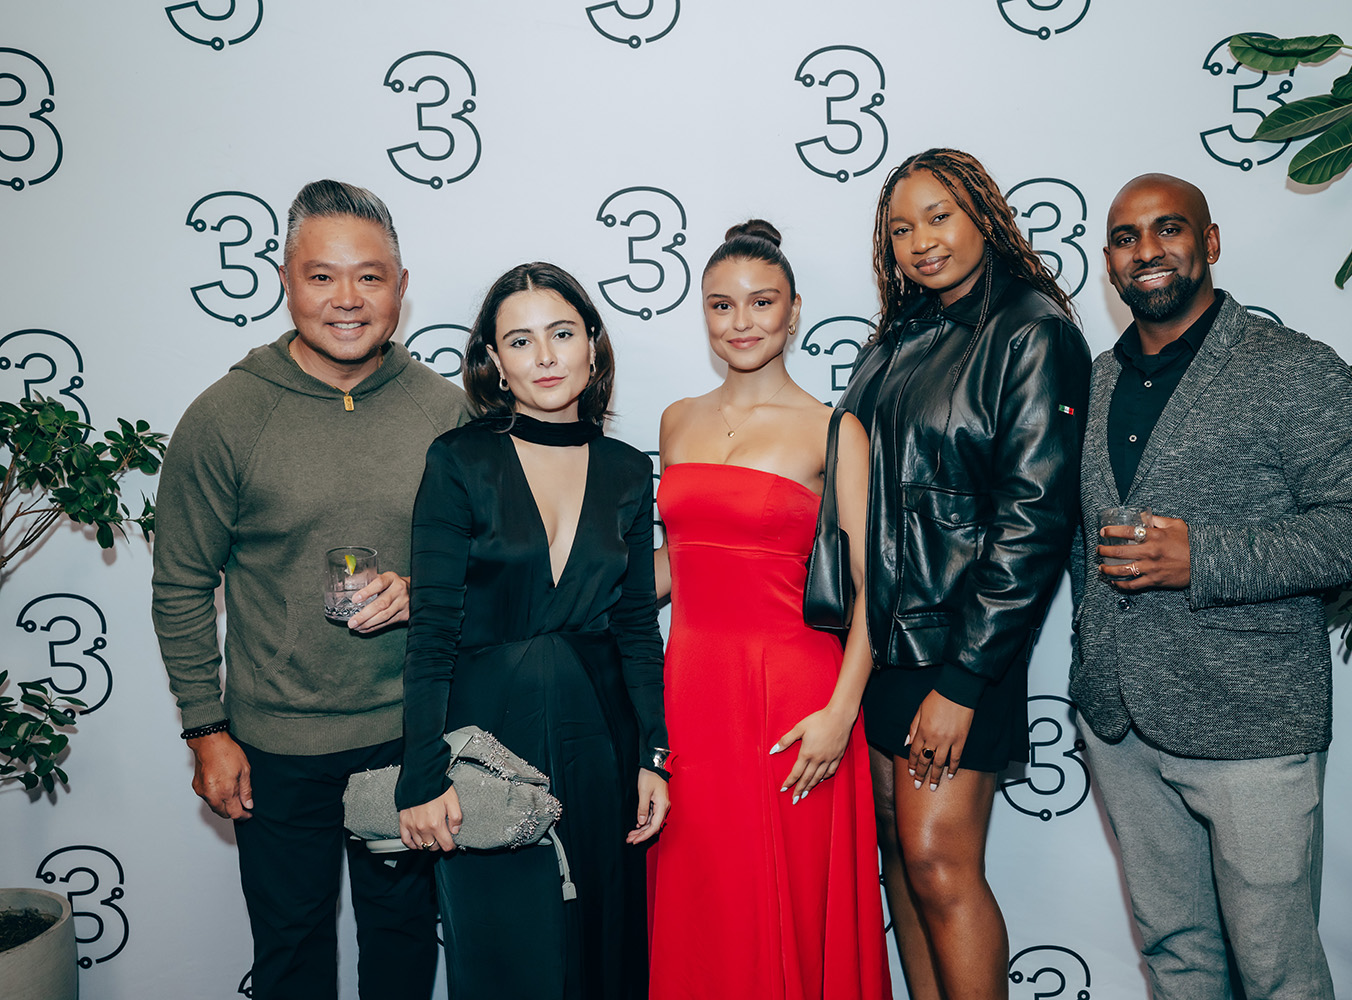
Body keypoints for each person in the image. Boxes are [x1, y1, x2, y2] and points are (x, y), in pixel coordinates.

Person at [1071, 173, 1352, 999]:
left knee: (1276, 970)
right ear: (1109, 261)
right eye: (1125, 237)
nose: (1147, 250)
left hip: (1252, 722)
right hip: (1120, 724)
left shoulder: (1293, 367)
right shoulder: (1098, 379)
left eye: (1169, 228)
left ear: (1209, 241)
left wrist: (1205, 558)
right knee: (1175, 956)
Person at [151, 179, 467, 999]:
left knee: (403, 944)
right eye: (322, 276)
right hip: (276, 747)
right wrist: (206, 729)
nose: (347, 299)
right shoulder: (226, 416)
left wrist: (423, 589)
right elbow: (182, 582)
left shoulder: (446, 413)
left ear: (402, 285)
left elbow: (498, 565)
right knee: (290, 955)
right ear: (286, 281)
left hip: (410, 738)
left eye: (370, 276)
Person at [839, 148, 1091, 1000]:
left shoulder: (1032, 331)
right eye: (901, 229)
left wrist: (965, 680)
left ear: (984, 214)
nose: (921, 241)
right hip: (885, 644)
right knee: (901, 860)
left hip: (958, 648)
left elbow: (1035, 518)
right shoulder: (900, 337)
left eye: (939, 216)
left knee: (939, 863)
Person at [396, 262, 669, 1000]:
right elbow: (431, 635)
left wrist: (654, 754)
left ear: (592, 345)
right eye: (520, 341)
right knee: (507, 961)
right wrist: (422, 775)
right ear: (494, 360)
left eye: (562, 334)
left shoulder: (625, 469)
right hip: (485, 749)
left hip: (601, 742)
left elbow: (636, 626)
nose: (545, 357)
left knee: (602, 956)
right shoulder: (459, 460)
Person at [649, 220, 892, 1000]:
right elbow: (676, 563)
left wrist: (840, 714)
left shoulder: (834, 429)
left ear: (793, 311)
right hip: (691, 697)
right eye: (721, 305)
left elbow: (874, 588)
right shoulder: (676, 419)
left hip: (793, 701)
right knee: (706, 899)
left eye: (761, 302)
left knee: (789, 894)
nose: (741, 322)